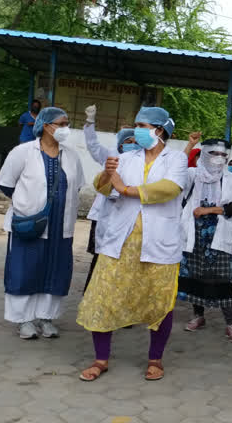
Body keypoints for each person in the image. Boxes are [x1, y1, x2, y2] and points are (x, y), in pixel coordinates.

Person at [77, 106, 188, 382]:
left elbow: (170, 188)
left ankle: (155, 359)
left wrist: (126, 189)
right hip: (121, 242)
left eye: (141, 124)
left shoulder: (177, 159)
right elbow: (103, 187)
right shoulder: (127, 158)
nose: (136, 129)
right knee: (103, 297)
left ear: (159, 130)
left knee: (159, 302)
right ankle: (100, 359)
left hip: (159, 244)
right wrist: (106, 174)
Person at [0, 107, 85, 339]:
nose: (66, 128)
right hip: (30, 223)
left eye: (67, 123)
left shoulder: (72, 156)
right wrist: (26, 205)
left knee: (55, 269)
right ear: (46, 126)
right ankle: (23, 320)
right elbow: (6, 184)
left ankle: (46, 318)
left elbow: (77, 186)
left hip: (61, 225)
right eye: (61, 123)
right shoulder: (23, 152)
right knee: (25, 268)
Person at [178, 139, 232, 343]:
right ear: (204, 154)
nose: (219, 158)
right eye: (214, 153)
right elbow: (175, 169)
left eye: (224, 155)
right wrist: (189, 145)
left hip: (217, 235)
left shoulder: (230, 179)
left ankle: (231, 324)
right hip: (194, 234)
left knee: (222, 279)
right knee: (195, 276)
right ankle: (198, 316)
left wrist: (209, 210)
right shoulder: (192, 175)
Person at [82, 105, 141, 292]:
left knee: (124, 259)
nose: (131, 144)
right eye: (127, 141)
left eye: (134, 141)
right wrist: (90, 123)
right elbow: (92, 145)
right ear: (121, 143)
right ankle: (92, 295)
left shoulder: (143, 165)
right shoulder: (111, 157)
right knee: (100, 256)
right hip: (104, 215)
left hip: (128, 217)